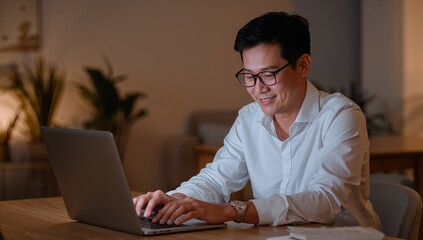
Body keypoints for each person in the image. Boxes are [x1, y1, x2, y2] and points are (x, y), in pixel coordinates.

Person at [133, 11, 381, 229]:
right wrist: (174, 200)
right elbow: (216, 179)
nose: (257, 88)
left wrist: (234, 211)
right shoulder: (248, 119)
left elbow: (326, 200)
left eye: (268, 74)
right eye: (249, 76)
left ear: (303, 65)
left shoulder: (341, 115)